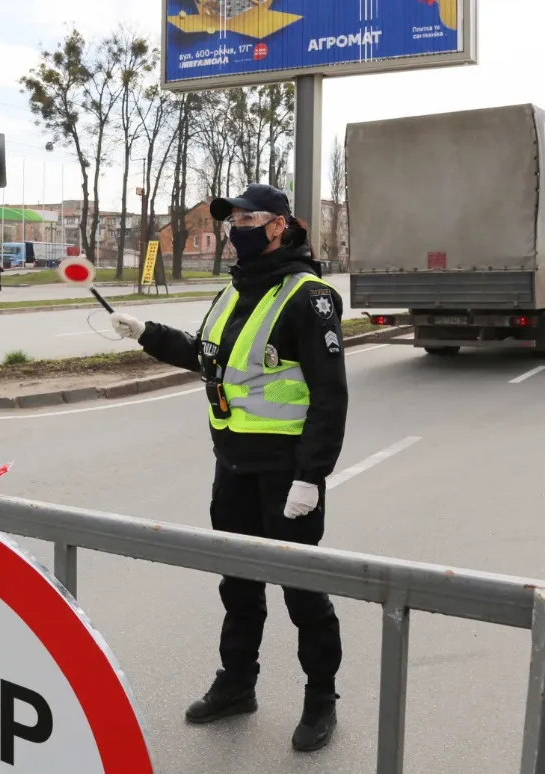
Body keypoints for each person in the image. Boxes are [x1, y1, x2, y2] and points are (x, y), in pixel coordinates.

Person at [109, 183, 348, 752]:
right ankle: (238, 683)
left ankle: (321, 699)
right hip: (233, 465)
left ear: (279, 227)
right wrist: (148, 333)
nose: (234, 225)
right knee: (237, 584)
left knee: (302, 590)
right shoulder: (234, 291)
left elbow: (329, 397)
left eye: (247, 216)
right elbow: (208, 356)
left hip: (287, 474)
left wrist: (311, 477)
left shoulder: (307, 297)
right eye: (231, 217)